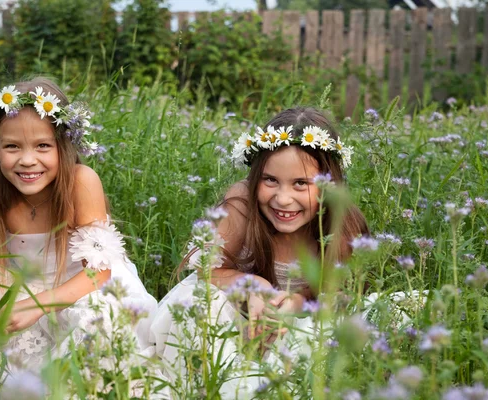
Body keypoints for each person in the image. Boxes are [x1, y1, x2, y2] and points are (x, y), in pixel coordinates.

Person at [149, 107, 369, 397]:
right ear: (255, 176)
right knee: (200, 303)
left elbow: (342, 295)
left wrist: (297, 302)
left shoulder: (341, 226)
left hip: (300, 324)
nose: (282, 199)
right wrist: (254, 286)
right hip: (234, 319)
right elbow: (208, 271)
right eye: (270, 180)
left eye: (301, 183)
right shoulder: (242, 206)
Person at [0, 77, 157, 372]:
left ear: (63, 144)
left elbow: (98, 274)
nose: (28, 160)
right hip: (21, 289)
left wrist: (39, 306)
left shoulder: (80, 182)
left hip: (84, 286)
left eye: (43, 145)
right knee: (7, 354)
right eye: (12, 147)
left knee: (94, 325)